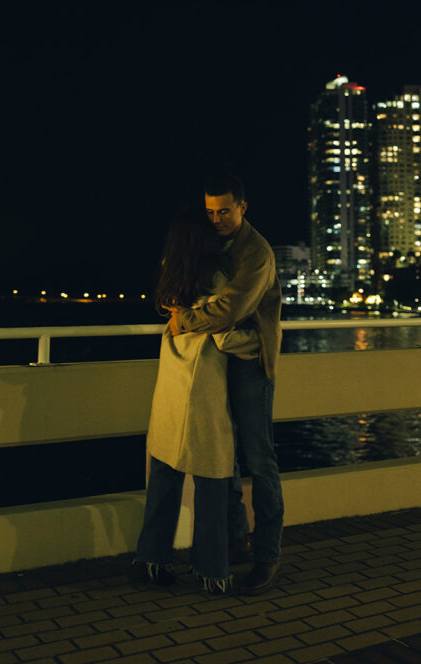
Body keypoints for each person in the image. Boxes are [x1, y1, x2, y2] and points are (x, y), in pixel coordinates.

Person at [129, 206, 261, 594]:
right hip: (202, 393)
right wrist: (261, 341)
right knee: (213, 481)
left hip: (170, 392)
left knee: (165, 479)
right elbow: (225, 335)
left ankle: (150, 562)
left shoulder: (173, 278)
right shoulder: (216, 279)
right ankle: (212, 571)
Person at [168, 173, 284, 596]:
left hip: (251, 363)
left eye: (224, 211)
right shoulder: (214, 244)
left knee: (259, 458)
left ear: (243, 208)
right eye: (210, 212)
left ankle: (267, 557)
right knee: (223, 453)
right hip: (219, 361)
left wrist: (184, 320)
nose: (216, 219)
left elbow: (231, 309)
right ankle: (237, 539)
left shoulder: (257, 253)